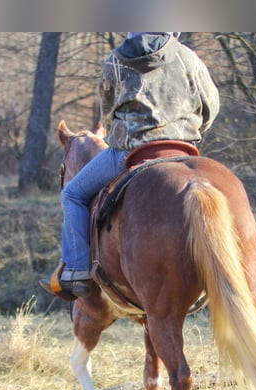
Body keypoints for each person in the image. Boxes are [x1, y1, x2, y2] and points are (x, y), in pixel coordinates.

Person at [40, 32, 220, 299]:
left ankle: (76, 272)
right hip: (183, 147)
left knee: (73, 194)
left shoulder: (116, 60)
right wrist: (193, 131)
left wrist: (120, 134)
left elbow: (109, 113)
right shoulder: (188, 57)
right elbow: (211, 106)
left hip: (130, 150)